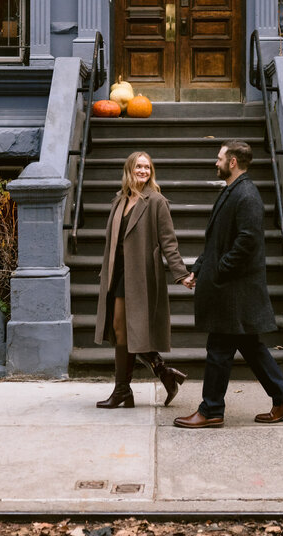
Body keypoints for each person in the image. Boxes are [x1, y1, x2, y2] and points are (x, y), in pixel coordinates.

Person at [173, 140, 283, 428]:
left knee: (219, 349)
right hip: (230, 288)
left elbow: (247, 242)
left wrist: (219, 271)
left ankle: (211, 410)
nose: (215, 162)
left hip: (233, 290)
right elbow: (217, 241)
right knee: (249, 345)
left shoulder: (247, 195)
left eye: (219, 158)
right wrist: (199, 269)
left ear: (232, 162)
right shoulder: (234, 191)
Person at [94, 151, 195, 409]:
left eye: (147, 167)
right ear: (129, 170)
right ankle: (161, 374)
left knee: (124, 328)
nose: (143, 171)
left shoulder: (156, 201)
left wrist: (181, 273)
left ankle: (123, 390)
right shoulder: (120, 200)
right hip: (117, 272)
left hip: (139, 275)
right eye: (138, 166)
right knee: (122, 330)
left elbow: (168, 241)